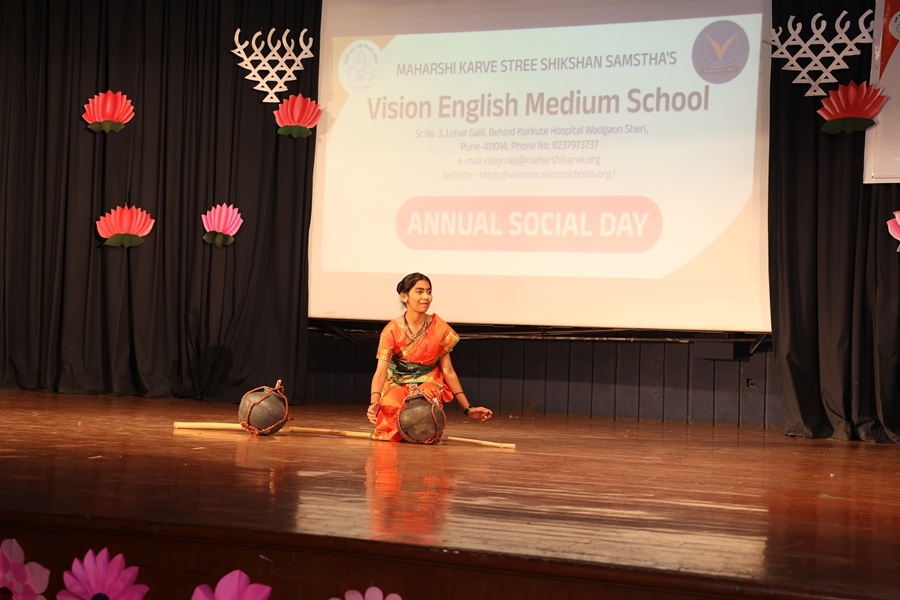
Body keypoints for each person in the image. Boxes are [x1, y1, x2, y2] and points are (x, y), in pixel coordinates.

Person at [367, 273, 492, 441]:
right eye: (419, 291)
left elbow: (448, 371)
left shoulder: (439, 328)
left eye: (429, 291)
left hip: (429, 381)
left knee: (426, 401)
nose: (426, 297)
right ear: (404, 297)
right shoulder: (391, 330)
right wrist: (374, 403)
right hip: (397, 380)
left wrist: (468, 408)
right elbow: (381, 372)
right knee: (390, 402)